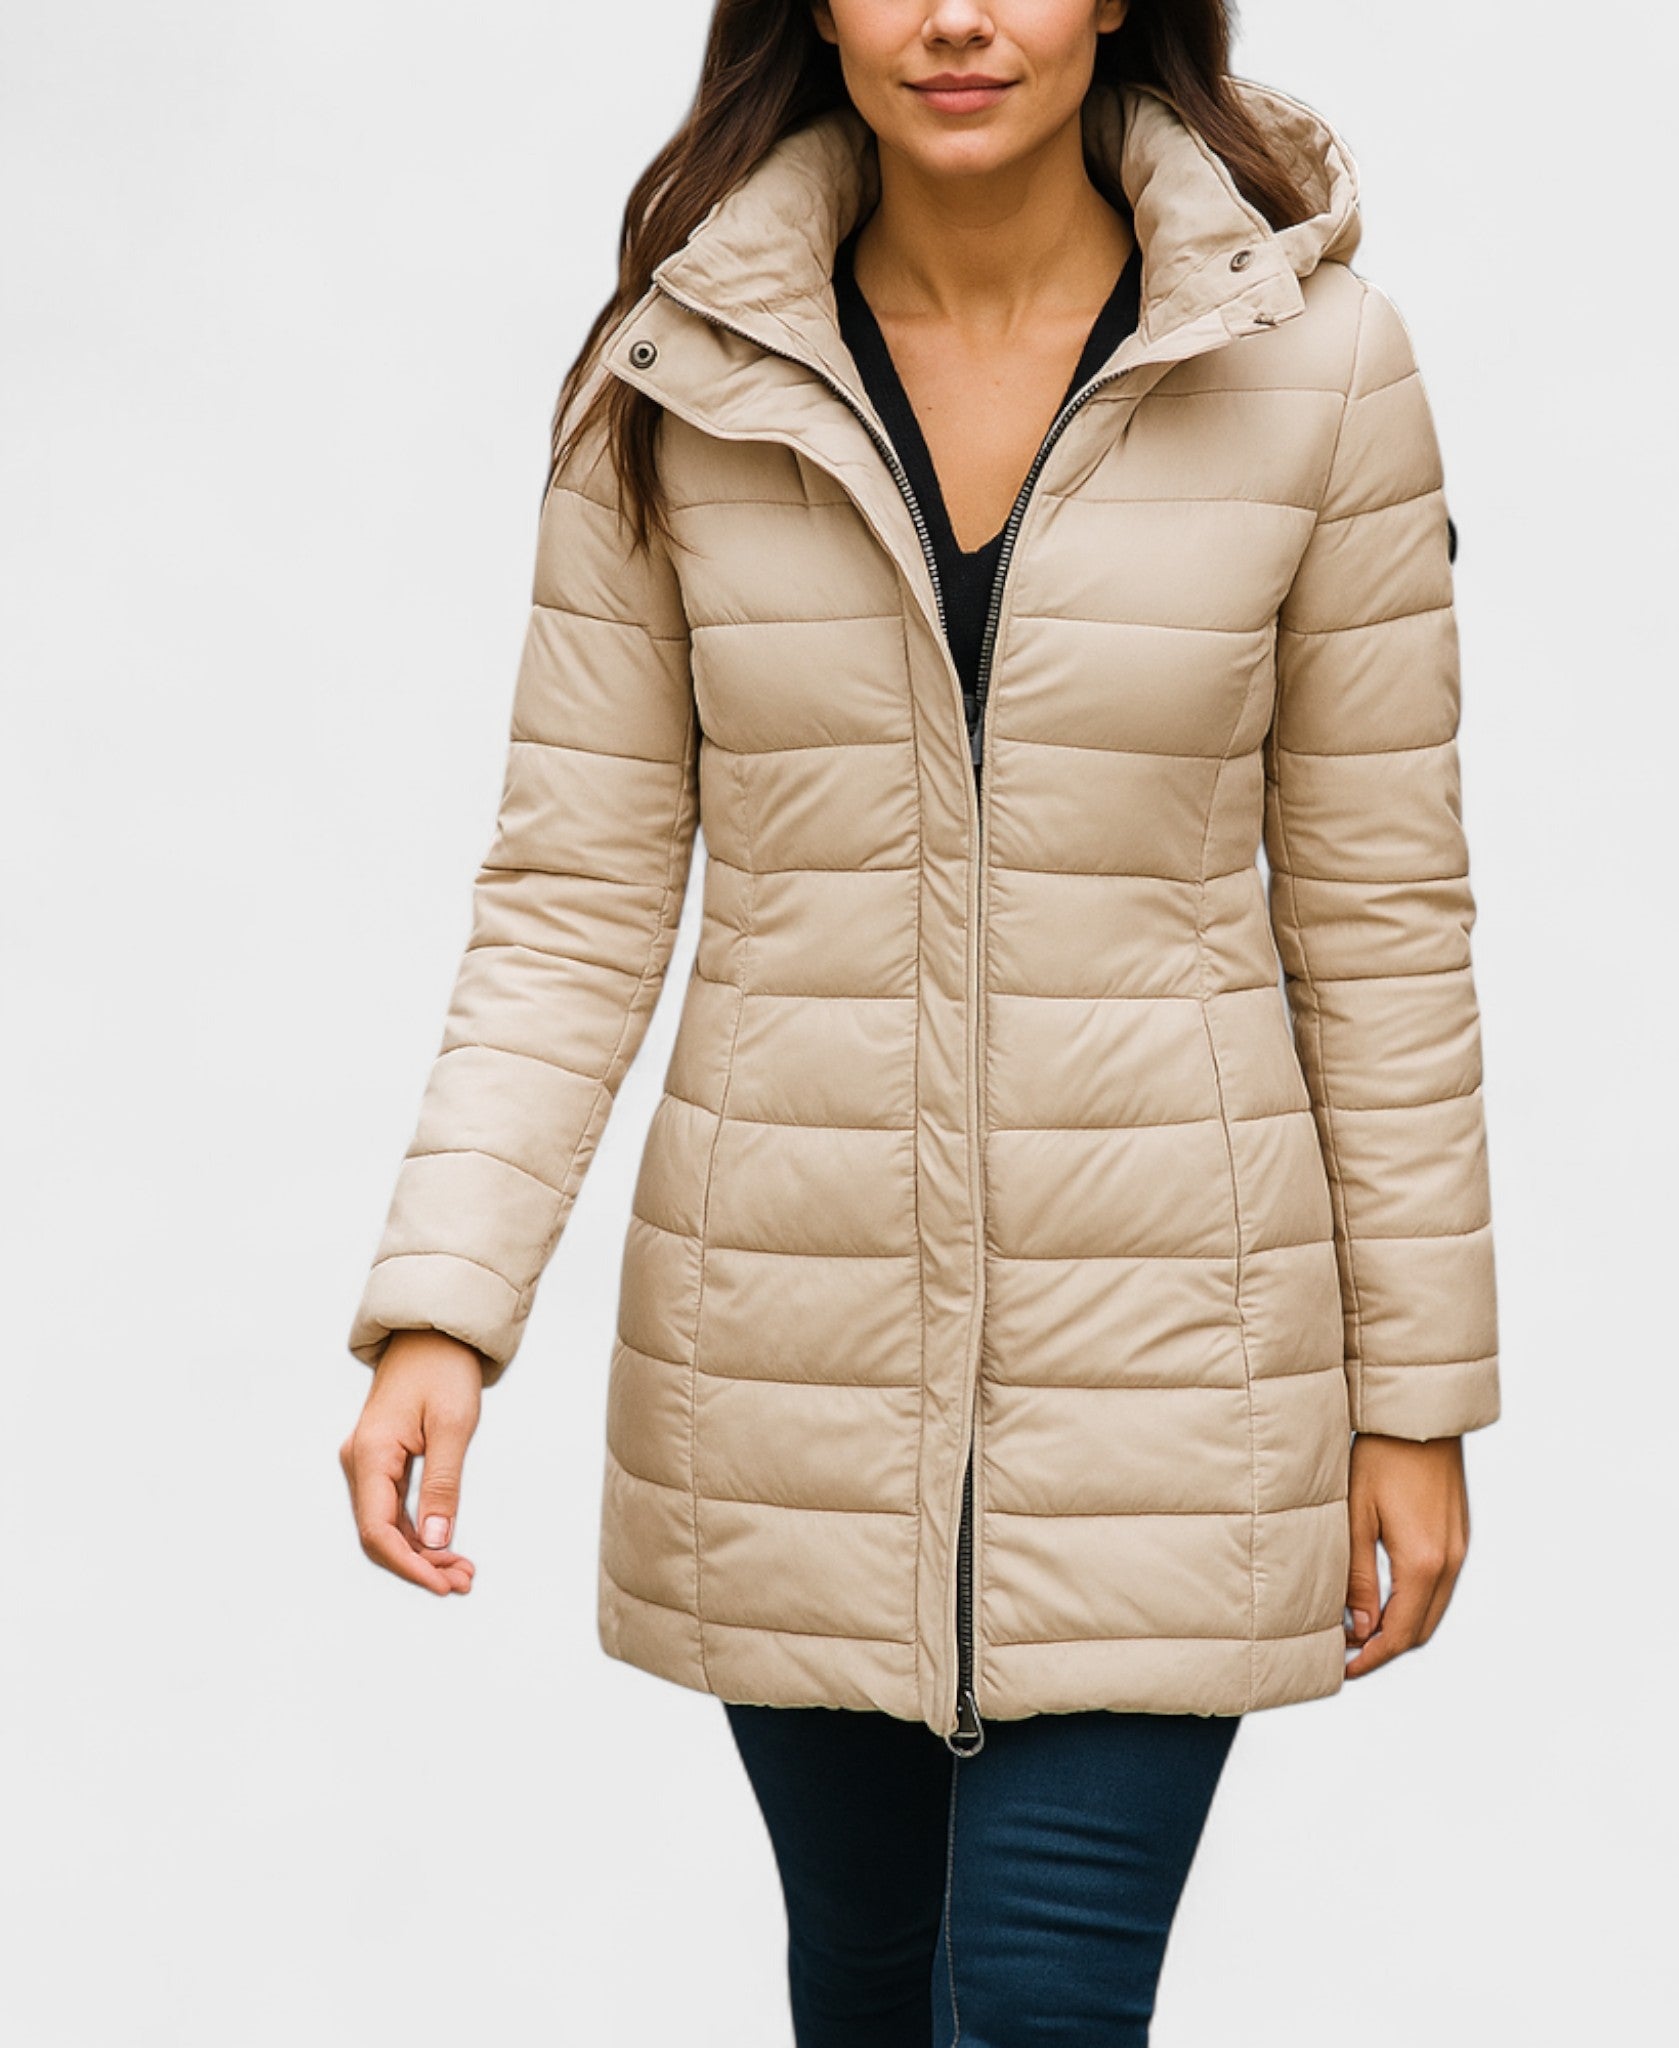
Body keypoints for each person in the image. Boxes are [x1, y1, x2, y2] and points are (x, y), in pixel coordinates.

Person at [336, 3, 1500, 2040]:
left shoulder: (1318, 369)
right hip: (785, 1365)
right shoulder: (677, 376)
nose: (957, 16)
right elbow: (572, 896)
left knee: (1041, 2006)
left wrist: (1417, 1398)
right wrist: (443, 1304)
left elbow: (1379, 918)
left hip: (1180, 1367)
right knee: (870, 1996)